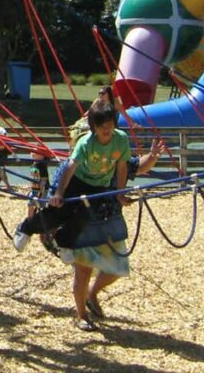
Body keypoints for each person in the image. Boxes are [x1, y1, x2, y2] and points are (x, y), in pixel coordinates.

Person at [13, 101, 132, 330]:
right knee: (58, 213)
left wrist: (120, 193)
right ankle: (26, 227)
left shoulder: (120, 140)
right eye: (103, 128)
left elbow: (122, 167)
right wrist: (58, 192)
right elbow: (71, 166)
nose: (107, 132)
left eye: (110, 127)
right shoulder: (86, 143)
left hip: (98, 186)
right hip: (77, 181)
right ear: (94, 127)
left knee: (86, 215)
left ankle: (64, 242)